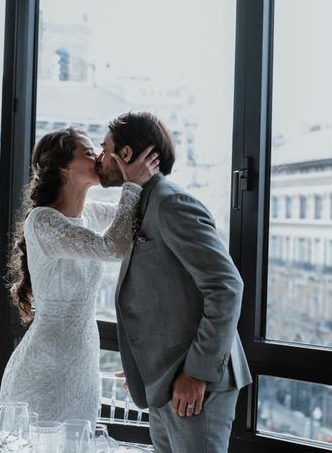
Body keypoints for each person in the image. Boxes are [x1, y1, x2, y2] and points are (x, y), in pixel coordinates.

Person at [98, 111, 252, 453]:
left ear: (125, 154)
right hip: (165, 383)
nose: (98, 158)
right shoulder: (142, 203)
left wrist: (197, 373)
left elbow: (226, 287)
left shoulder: (172, 203)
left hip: (196, 386)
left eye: (103, 148)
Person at [0, 127, 159, 425]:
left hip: (83, 359)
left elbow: (137, 217)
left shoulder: (91, 213)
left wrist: (133, 173)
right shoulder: (42, 220)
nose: (99, 157)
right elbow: (113, 247)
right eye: (88, 153)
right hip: (43, 365)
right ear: (63, 166)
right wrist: (132, 185)